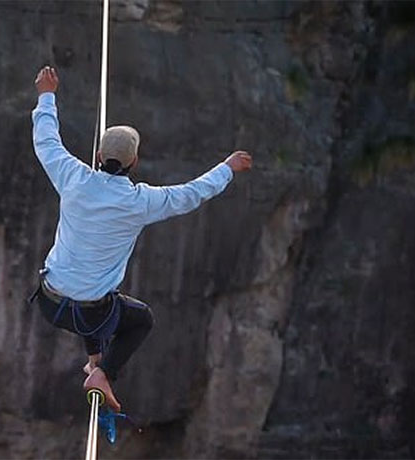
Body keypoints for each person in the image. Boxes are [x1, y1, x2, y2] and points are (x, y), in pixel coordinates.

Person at [29, 66, 252, 412]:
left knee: (94, 288)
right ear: (135, 162)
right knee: (138, 318)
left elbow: (46, 141)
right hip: (90, 314)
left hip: (49, 303)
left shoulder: (72, 177)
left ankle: (95, 360)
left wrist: (47, 94)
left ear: (99, 158)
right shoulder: (141, 202)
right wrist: (227, 168)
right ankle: (103, 374)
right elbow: (192, 193)